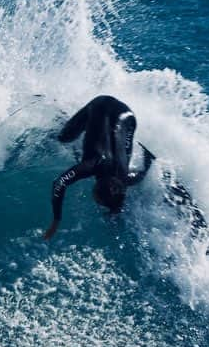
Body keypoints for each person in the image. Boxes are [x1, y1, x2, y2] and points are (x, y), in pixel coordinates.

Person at [44, 95, 155, 240]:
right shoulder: (92, 165)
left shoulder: (126, 179)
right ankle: (56, 107)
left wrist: (149, 158)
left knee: (121, 157)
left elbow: (142, 173)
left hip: (128, 117)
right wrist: (56, 219)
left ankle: (115, 210)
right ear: (97, 188)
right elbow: (59, 183)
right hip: (103, 105)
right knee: (64, 138)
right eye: (98, 200)